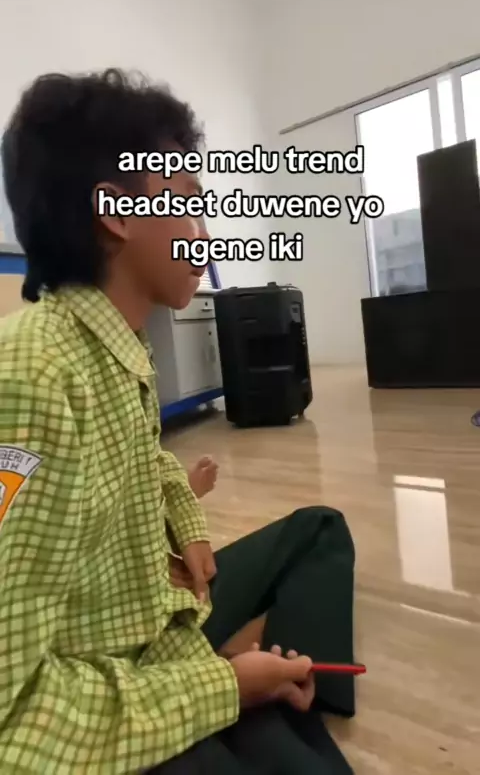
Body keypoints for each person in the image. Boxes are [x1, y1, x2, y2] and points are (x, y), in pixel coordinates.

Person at [0, 69, 356, 774]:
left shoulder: (123, 344)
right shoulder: (33, 377)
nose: (205, 233)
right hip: (107, 681)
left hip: (162, 617)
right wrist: (222, 687)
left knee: (319, 527)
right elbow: (11, 709)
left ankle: (293, 686)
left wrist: (187, 524)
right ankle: (256, 699)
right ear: (116, 214)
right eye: (188, 203)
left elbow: (147, 459)